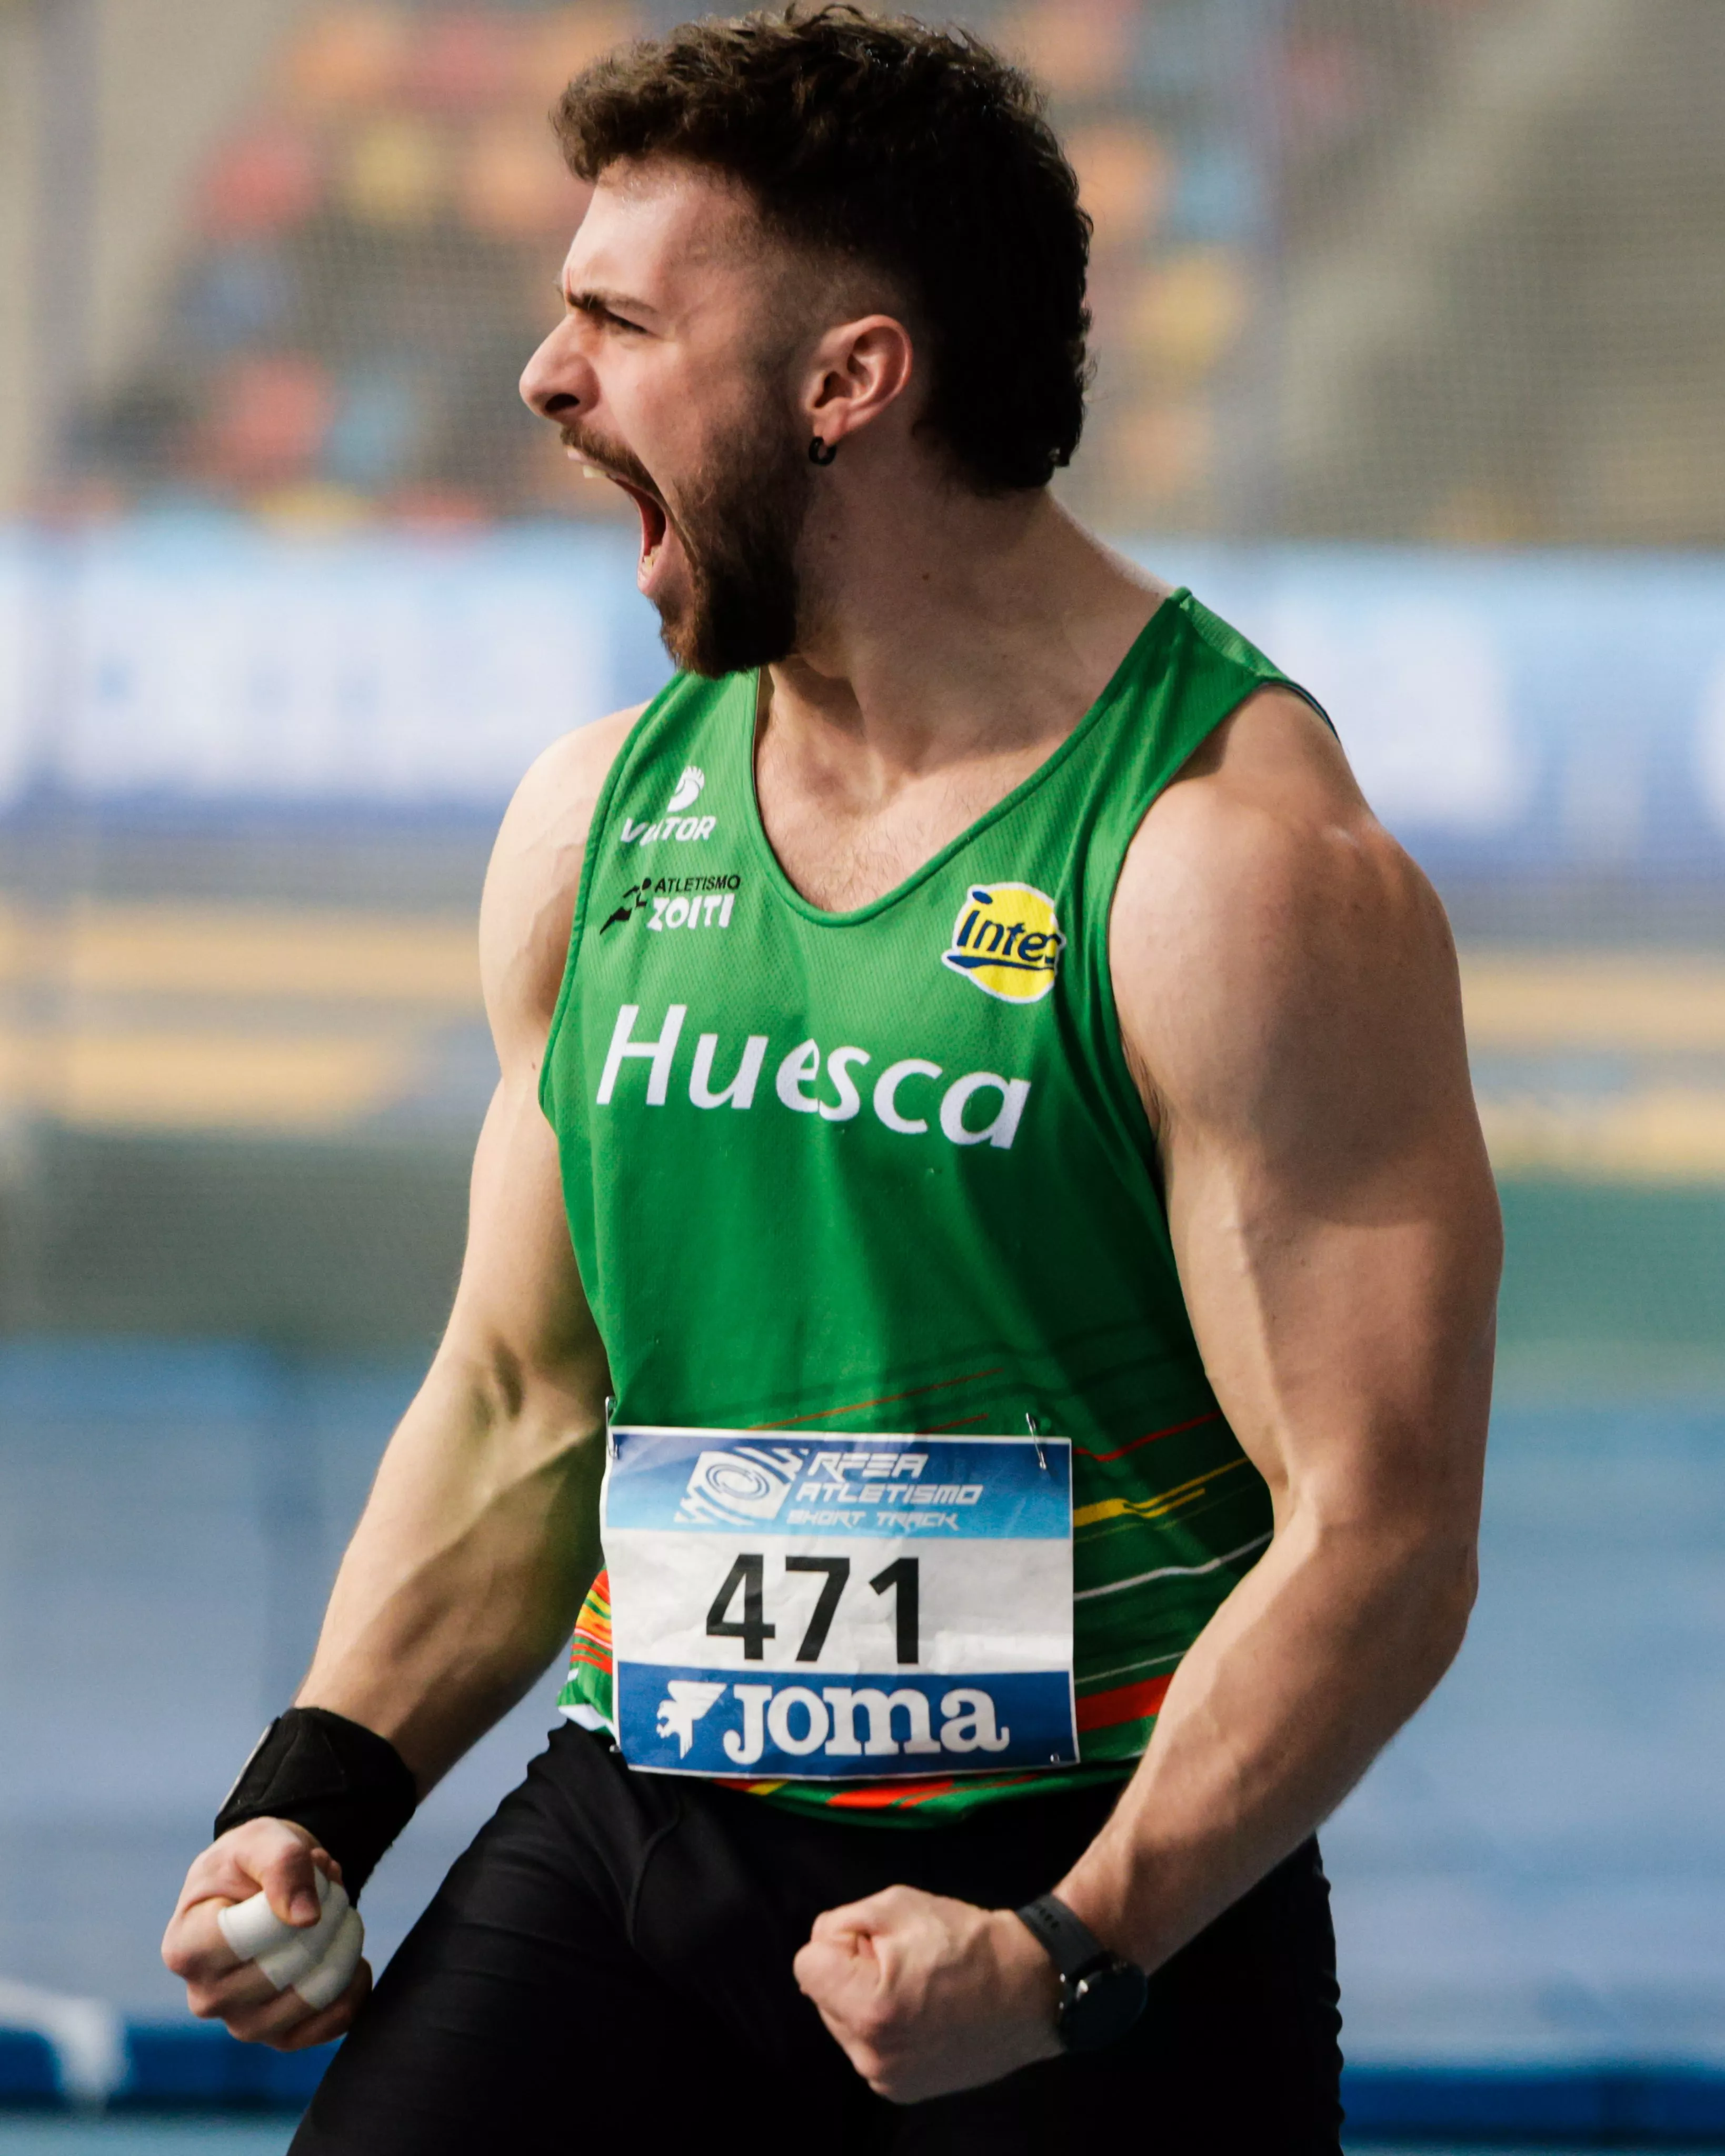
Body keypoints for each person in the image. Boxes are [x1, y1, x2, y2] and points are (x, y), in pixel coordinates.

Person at [162, 9, 1500, 2149]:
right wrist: (315, 1802)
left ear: (850, 381)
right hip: (640, 1827)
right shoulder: (595, 825)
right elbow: (523, 1395)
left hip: (1087, 1892)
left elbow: (1383, 1535)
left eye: (615, 316)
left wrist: (1072, 1944)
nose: (545, 375)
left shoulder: (1229, 868)